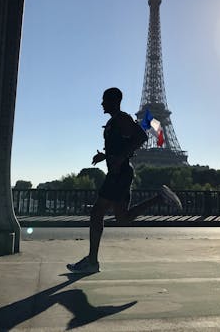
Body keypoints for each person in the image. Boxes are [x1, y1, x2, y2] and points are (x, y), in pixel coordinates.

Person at [67, 87, 183, 273]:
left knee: (97, 213)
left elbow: (141, 136)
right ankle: (159, 198)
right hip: (120, 173)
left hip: (119, 174)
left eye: (105, 100)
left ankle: (92, 261)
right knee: (122, 218)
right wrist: (106, 156)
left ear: (114, 101)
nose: (102, 103)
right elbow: (123, 144)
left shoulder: (121, 118)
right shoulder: (114, 121)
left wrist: (120, 157)